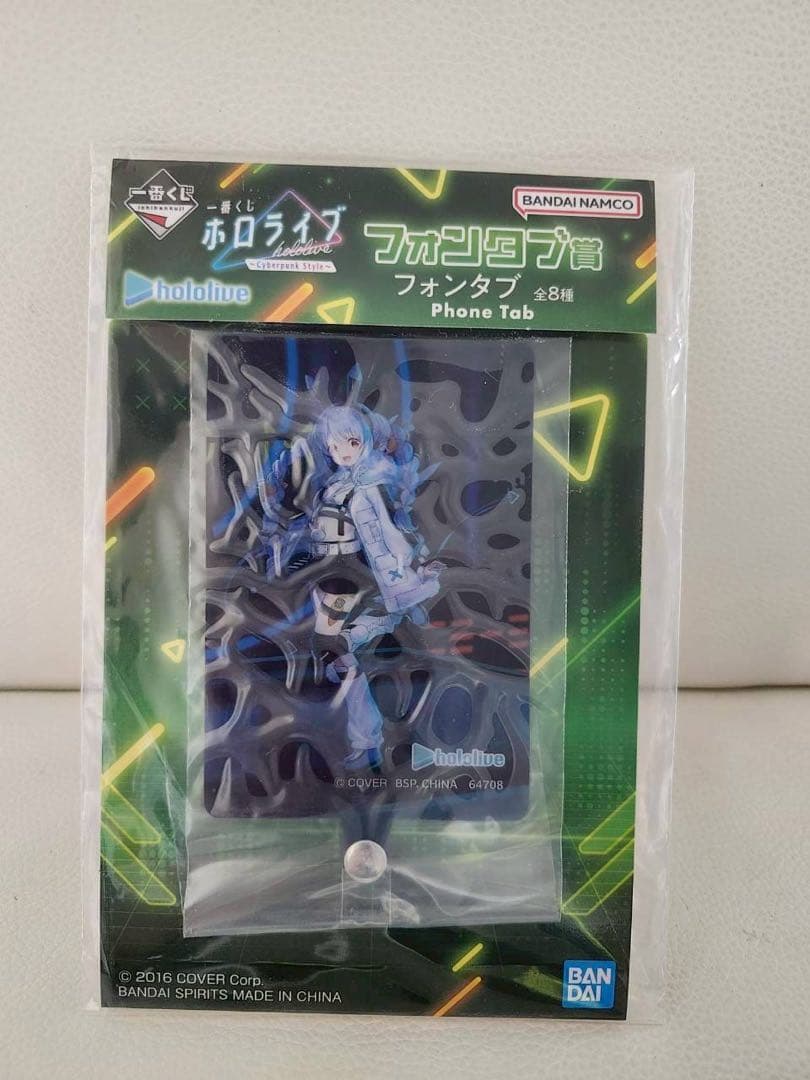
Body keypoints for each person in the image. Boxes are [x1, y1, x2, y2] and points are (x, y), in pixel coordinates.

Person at [256, 404, 441, 770]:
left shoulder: (372, 486)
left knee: (334, 648)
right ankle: (364, 731)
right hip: (325, 570)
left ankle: (366, 738)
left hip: (351, 573)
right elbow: (318, 525)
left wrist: (417, 565)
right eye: (335, 445)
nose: (342, 451)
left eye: (351, 442)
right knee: (330, 653)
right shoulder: (337, 484)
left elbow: (393, 530)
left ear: (365, 441)